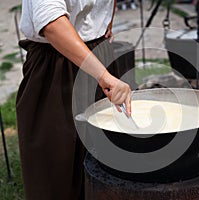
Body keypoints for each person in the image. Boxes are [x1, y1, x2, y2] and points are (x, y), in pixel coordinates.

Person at [17, 0, 132, 199]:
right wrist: (103, 75)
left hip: (98, 56)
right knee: (57, 168)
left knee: (104, 166)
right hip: (57, 64)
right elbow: (52, 24)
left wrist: (105, 21)